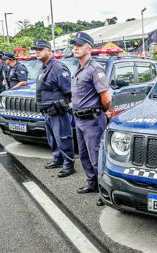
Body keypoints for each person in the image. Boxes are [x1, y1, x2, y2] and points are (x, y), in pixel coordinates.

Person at [70, 32, 112, 198]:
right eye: (74, 45)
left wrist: (102, 110)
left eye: (79, 45)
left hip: (92, 120)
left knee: (96, 157)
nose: (75, 48)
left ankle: (104, 192)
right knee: (84, 155)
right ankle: (91, 184)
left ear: (89, 48)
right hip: (79, 119)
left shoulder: (95, 68)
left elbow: (106, 98)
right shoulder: (78, 69)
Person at [32, 40, 76, 177]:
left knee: (63, 137)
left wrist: (63, 106)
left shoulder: (58, 67)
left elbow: (69, 92)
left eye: (40, 49)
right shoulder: (44, 67)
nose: (37, 52)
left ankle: (69, 165)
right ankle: (57, 159)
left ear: (49, 51)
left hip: (58, 111)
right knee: (53, 139)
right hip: (47, 112)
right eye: (36, 49)